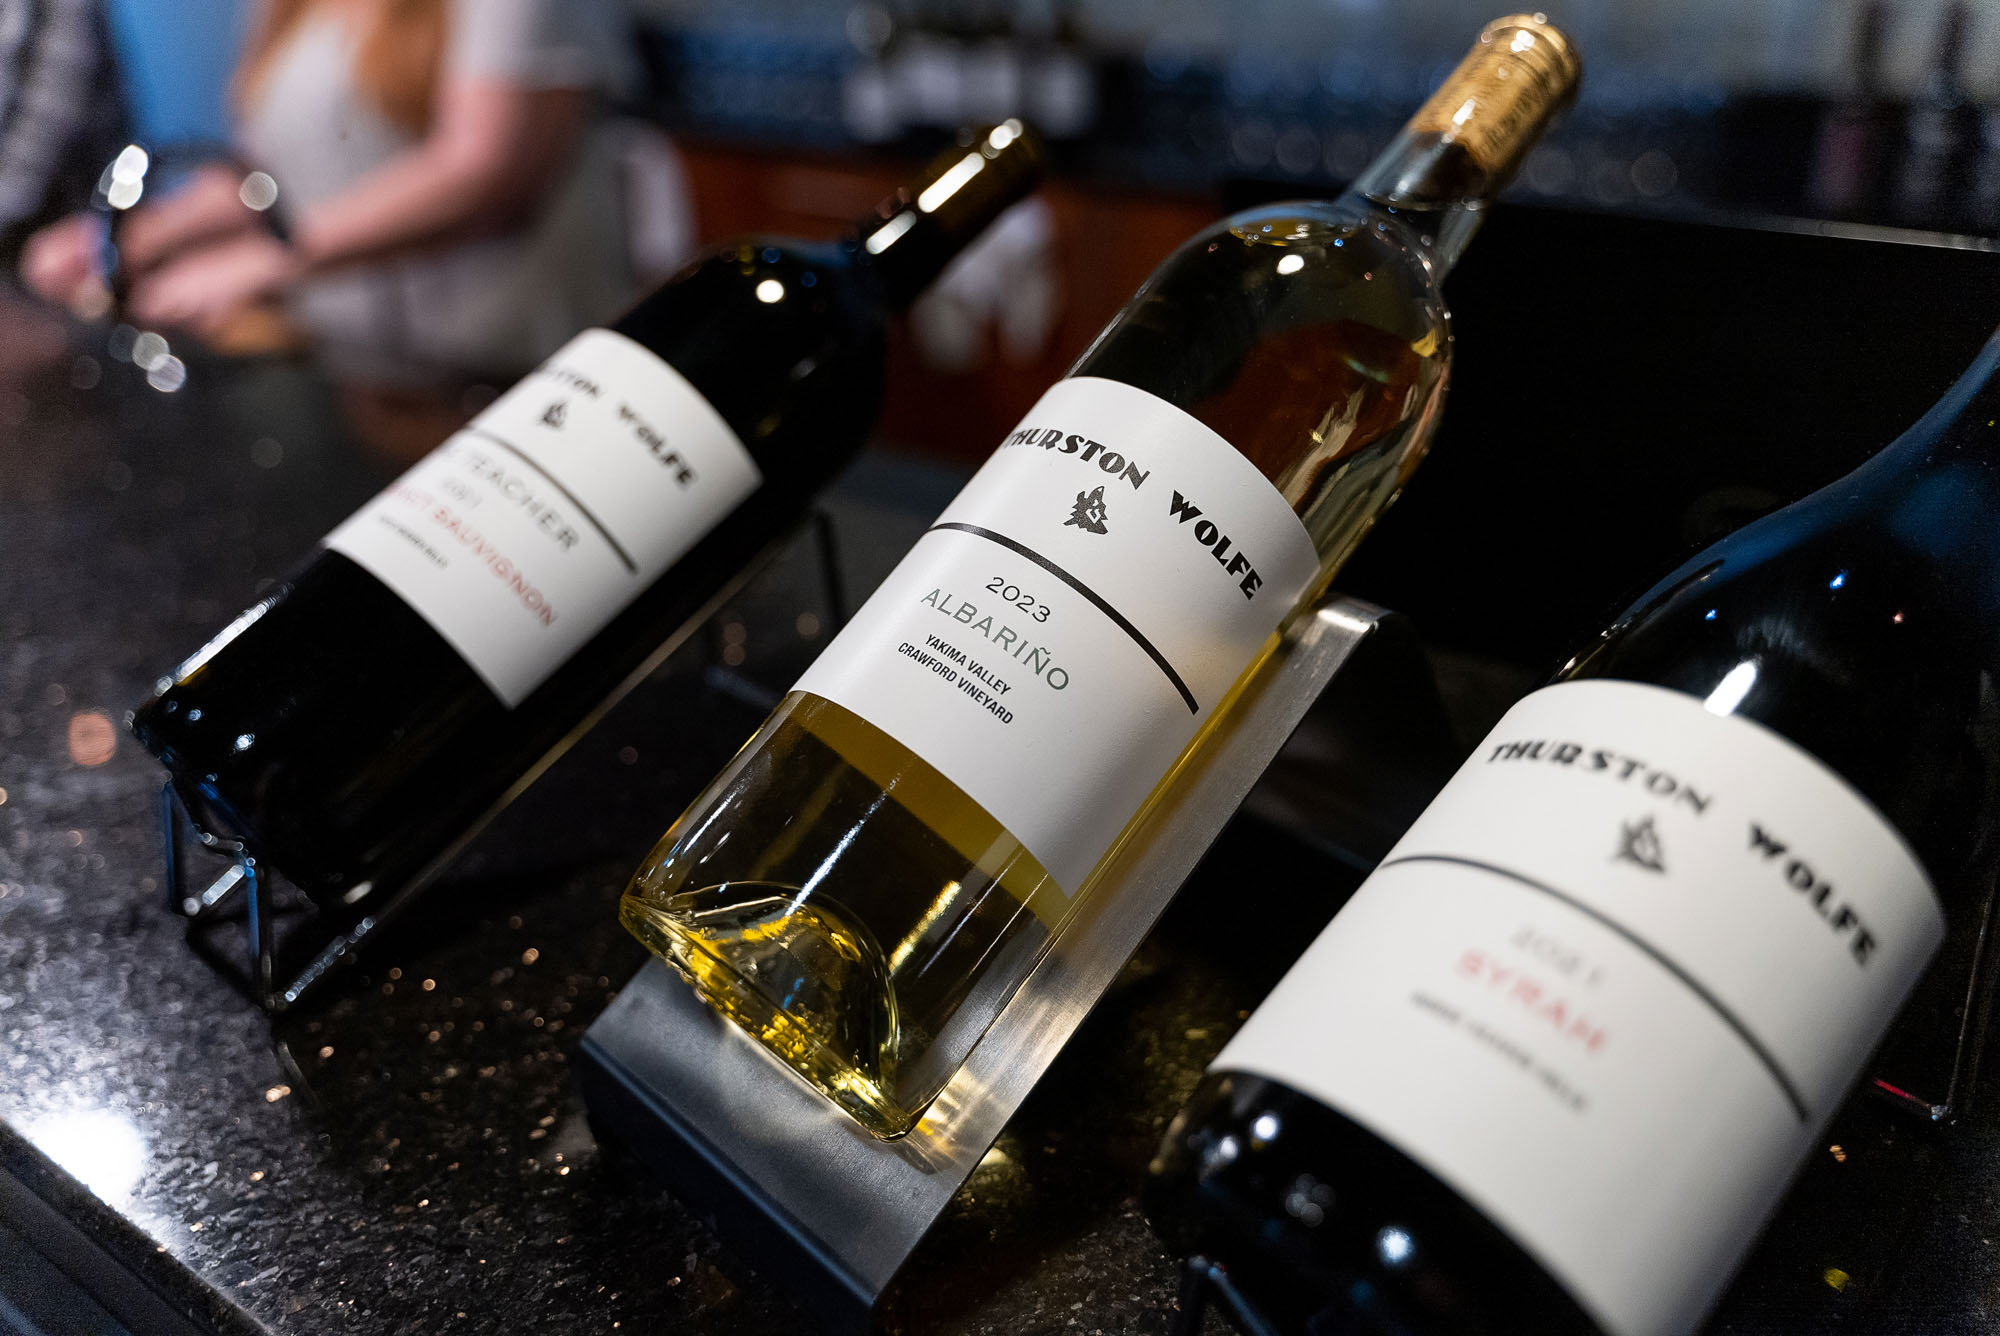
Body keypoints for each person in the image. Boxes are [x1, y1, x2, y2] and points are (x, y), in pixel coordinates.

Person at [22, 0, 641, 389]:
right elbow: (271, 177)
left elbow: (483, 171)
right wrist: (132, 238)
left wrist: (267, 263)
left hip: (506, 374)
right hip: (359, 378)